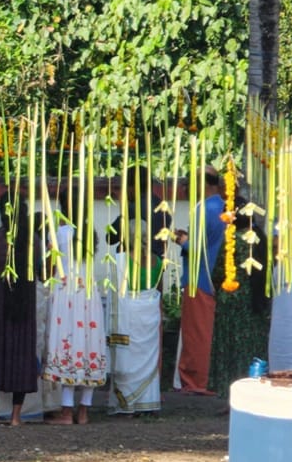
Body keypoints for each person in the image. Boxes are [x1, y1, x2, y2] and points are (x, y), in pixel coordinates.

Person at [43, 185, 109, 424]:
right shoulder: (91, 232)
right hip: (88, 294)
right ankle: (84, 410)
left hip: (65, 293)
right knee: (87, 342)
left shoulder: (59, 234)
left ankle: (67, 410)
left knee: (67, 342)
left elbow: (50, 268)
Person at [0, 197, 39, 428]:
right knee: (21, 356)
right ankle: (15, 417)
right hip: (23, 302)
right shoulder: (34, 241)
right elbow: (41, 270)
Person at [102, 211, 163, 416]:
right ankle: (148, 402)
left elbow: (115, 293)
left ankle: (127, 402)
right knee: (148, 358)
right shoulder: (158, 261)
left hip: (129, 317)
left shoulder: (120, 260)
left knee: (128, 358)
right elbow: (158, 290)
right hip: (150, 316)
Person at [175, 170, 230, 395]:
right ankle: (204, 378)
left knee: (196, 332)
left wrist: (181, 240)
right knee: (206, 331)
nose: (186, 189)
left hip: (198, 277)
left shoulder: (203, 209)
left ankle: (195, 380)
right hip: (216, 276)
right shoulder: (224, 208)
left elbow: (195, 248)